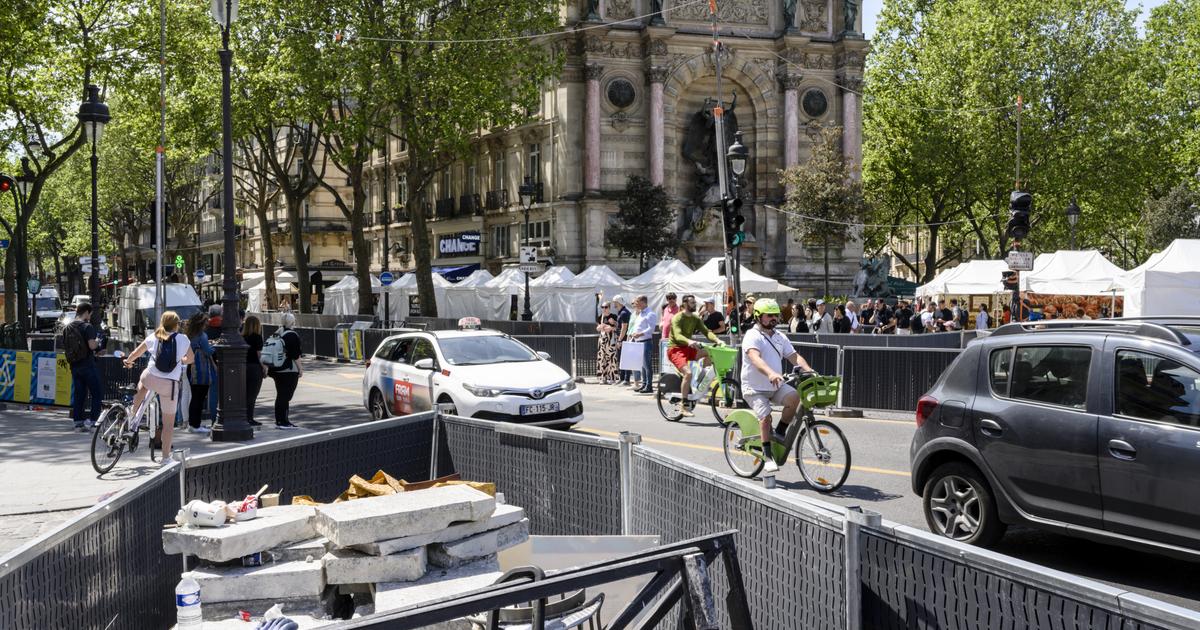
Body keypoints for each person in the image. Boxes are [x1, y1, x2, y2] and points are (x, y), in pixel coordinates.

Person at [740, 298, 814, 474]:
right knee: (765, 417)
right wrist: (770, 373)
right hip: (754, 388)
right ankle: (767, 457)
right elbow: (755, 358)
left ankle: (779, 432)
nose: (774, 318)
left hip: (775, 386)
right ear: (758, 316)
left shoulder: (780, 336)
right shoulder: (752, 335)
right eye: (769, 315)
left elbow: (794, 357)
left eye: (775, 315)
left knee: (795, 398)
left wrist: (810, 371)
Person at [122, 311, 194, 461]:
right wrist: (180, 360)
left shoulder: (155, 336)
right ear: (176, 325)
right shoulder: (183, 339)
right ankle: (165, 458)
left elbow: (136, 353)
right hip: (169, 385)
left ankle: (133, 411)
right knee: (168, 425)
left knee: (143, 381)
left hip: (151, 378)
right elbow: (190, 359)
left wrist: (128, 362)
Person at [667, 294, 724, 417]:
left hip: (688, 347)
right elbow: (677, 335)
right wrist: (689, 341)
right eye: (692, 303)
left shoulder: (695, 318)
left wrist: (718, 340)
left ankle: (701, 381)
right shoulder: (677, 318)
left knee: (710, 351)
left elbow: (706, 332)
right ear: (685, 304)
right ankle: (683, 406)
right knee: (688, 373)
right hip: (676, 349)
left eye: (695, 302)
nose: (695, 305)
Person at [64, 303, 103, 431]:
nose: (90, 316)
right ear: (86, 312)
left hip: (74, 365)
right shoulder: (87, 326)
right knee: (97, 393)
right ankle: (93, 422)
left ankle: (78, 423)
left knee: (79, 394)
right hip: (87, 365)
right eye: (90, 314)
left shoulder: (68, 327)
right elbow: (92, 346)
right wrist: (98, 342)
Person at [267, 312, 303, 429]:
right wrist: (300, 369)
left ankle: (280, 420)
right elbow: (296, 355)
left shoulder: (277, 333)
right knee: (286, 396)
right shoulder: (292, 335)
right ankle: (283, 421)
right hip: (288, 369)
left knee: (280, 395)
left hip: (275, 369)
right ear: (292, 322)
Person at [184, 312, 217, 434]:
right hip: (200, 369)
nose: (207, 324)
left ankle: (192, 424)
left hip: (191, 367)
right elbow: (208, 351)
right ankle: (195, 425)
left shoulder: (190, 335)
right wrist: (215, 346)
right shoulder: (202, 335)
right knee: (200, 397)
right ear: (202, 323)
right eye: (206, 322)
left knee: (195, 397)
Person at [626, 295, 658, 394]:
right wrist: (633, 334)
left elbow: (651, 329)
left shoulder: (650, 314)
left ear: (643, 302)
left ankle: (649, 386)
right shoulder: (641, 313)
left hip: (645, 341)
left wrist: (640, 334)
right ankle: (644, 384)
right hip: (638, 342)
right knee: (642, 366)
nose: (635, 304)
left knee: (647, 365)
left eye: (637, 302)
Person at [242, 314, 265, 427]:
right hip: (254, 367)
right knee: (252, 395)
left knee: (244, 394)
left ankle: (243, 416)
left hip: (243, 367)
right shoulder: (257, 337)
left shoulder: (241, 337)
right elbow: (259, 354)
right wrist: (264, 367)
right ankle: (249, 418)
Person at [595, 301, 619, 384]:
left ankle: (612, 377)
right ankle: (603, 377)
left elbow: (617, 327)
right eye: (602, 307)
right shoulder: (600, 317)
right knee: (602, 358)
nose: (604, 309)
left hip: (611, 340)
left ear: (609, 308)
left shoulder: (614, 316)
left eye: (606, 307)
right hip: (602, 340)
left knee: (611, 358)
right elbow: (598, 327)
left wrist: (612, 326)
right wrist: (599, 327)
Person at [611, 295, 632, 386]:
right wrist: (615, 323)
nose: (614, 304)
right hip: (621, 337)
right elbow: (620, 325)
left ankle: (626, 379)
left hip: (624, 339)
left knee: (625, 359)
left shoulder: (624, 313)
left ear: (618, 302)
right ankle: (622, 378)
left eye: (615, 302)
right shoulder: (621, 312)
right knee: (622, 359)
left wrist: (619, 340)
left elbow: (624, 328)